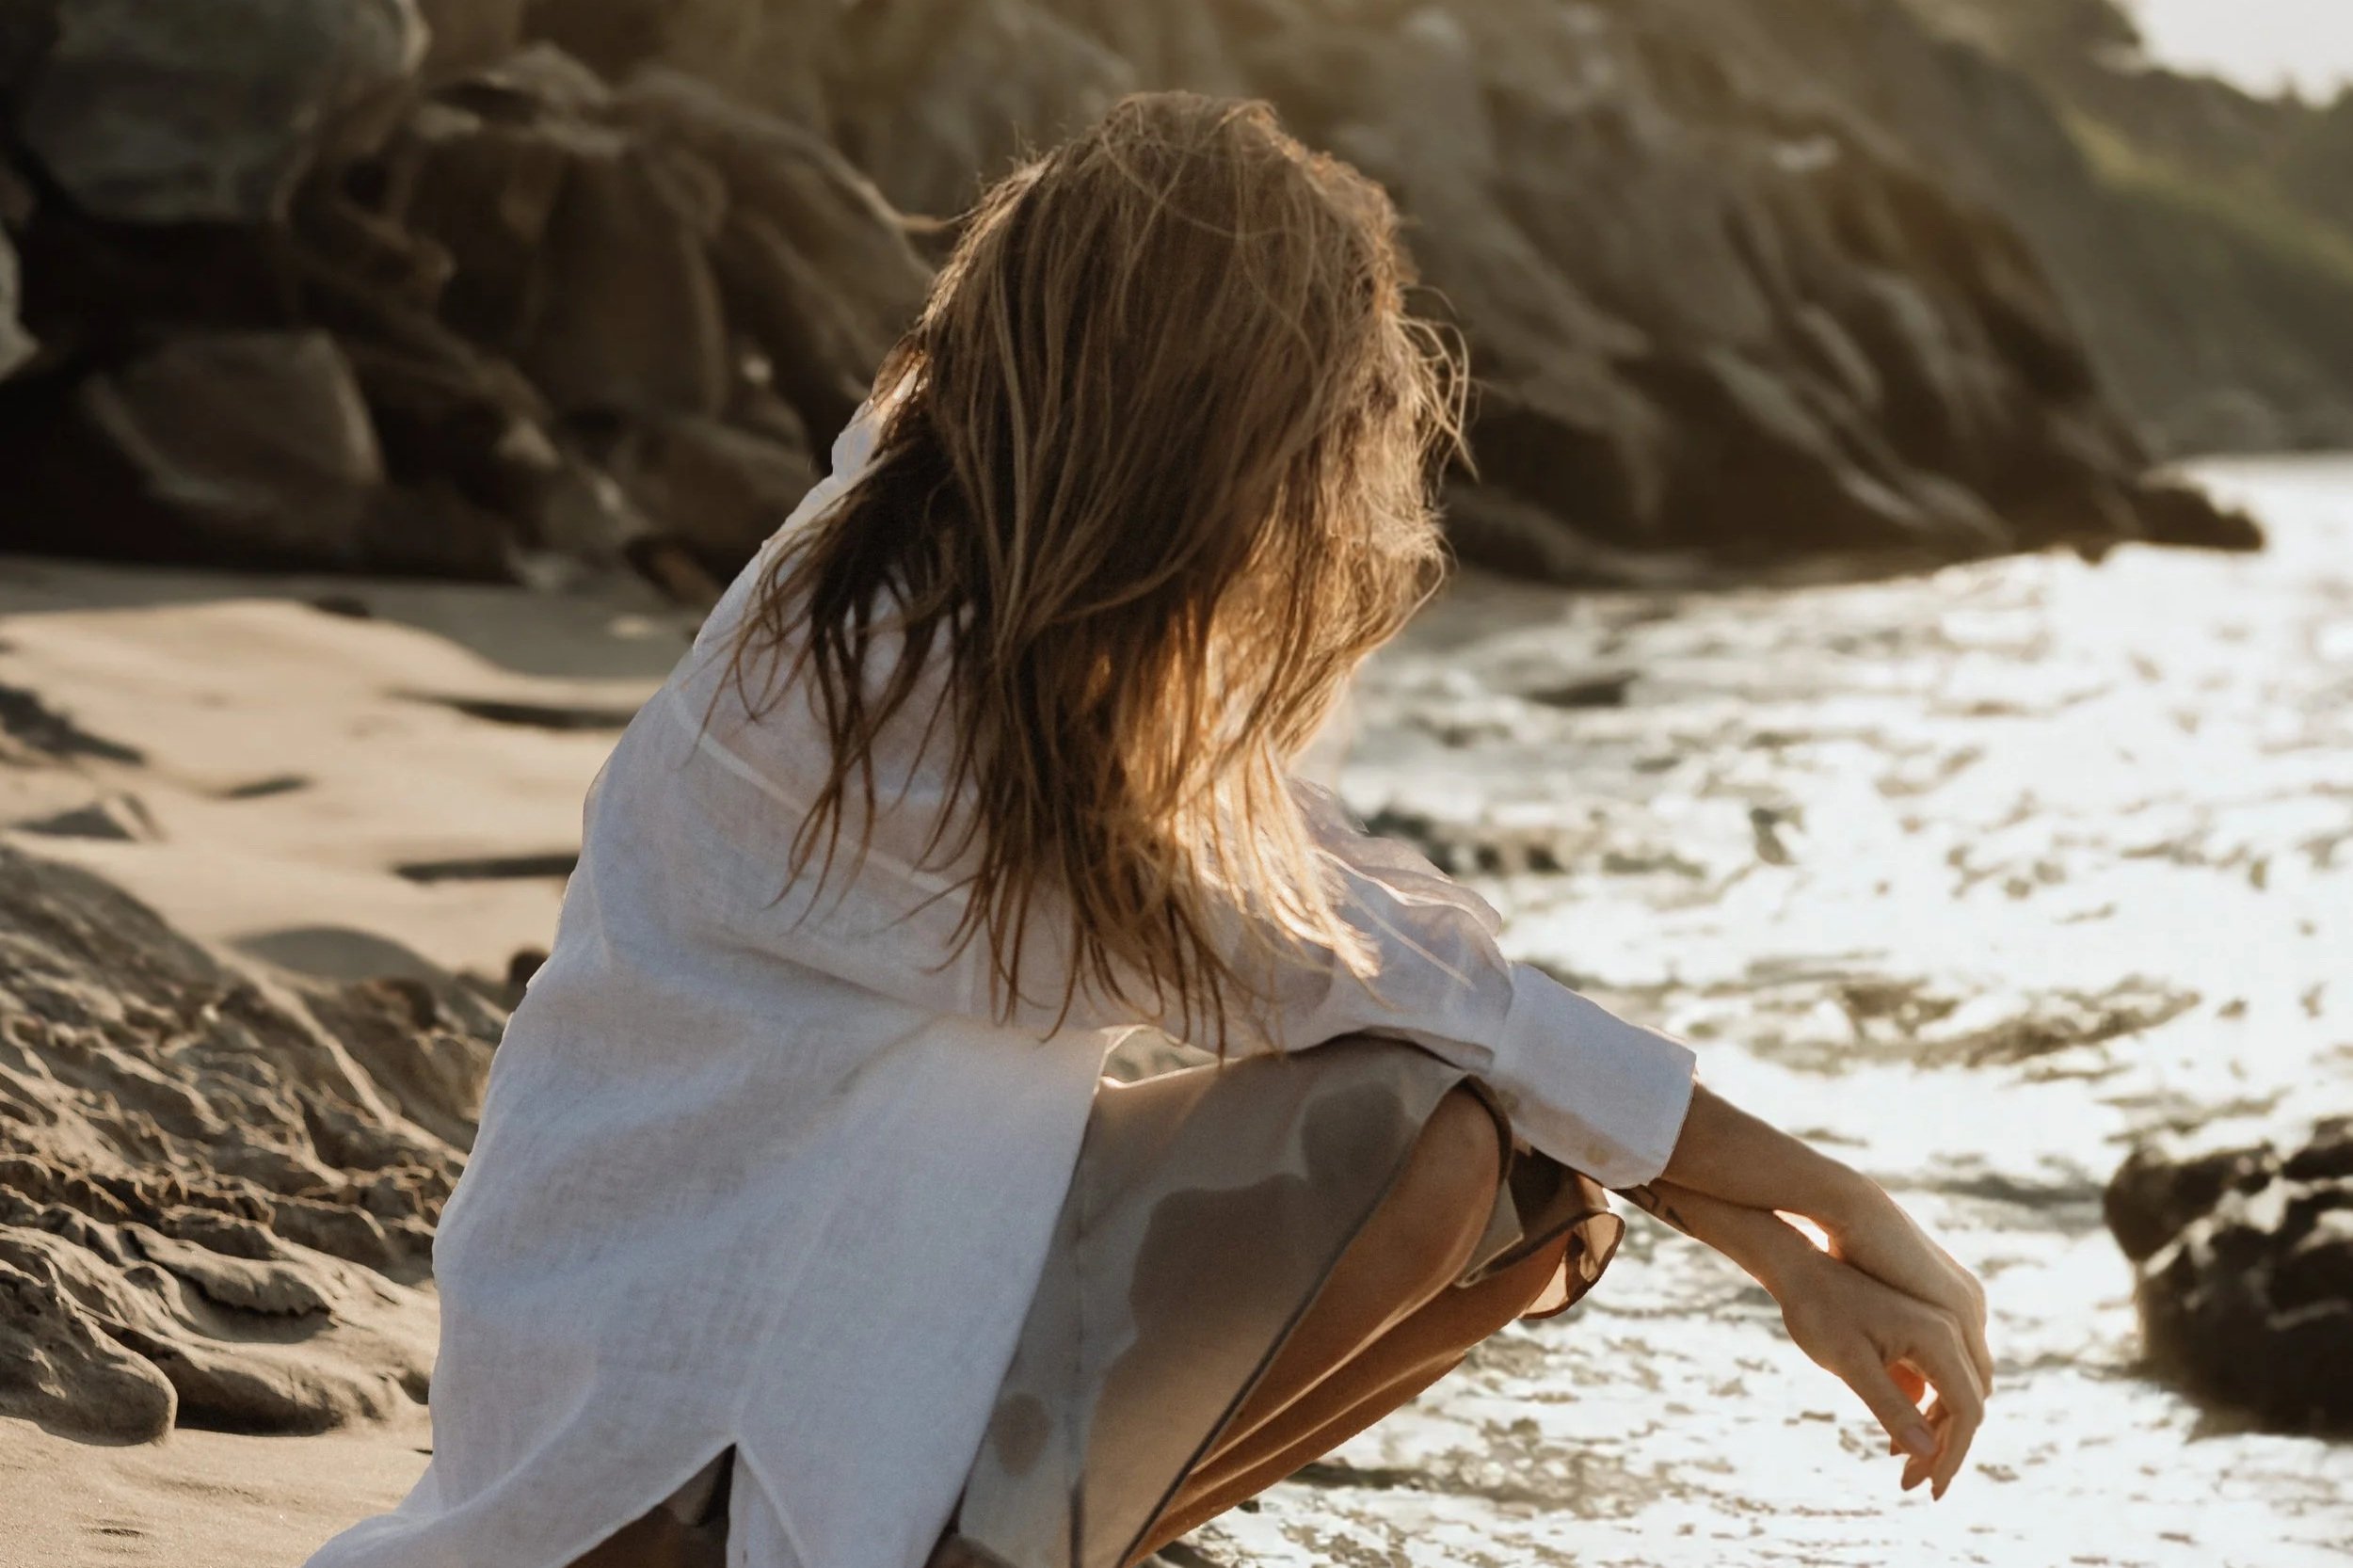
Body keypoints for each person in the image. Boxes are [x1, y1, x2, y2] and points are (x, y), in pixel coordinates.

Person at [307, 92, 1993, 1568]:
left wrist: (1762, 1228)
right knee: (1427, 1135)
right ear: (1194, 423)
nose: (1324, 478)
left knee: (1528, 1183)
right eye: (1307, 425)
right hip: (662, 1466)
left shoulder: (973, 599)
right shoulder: (880, 682)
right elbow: (1350, 968)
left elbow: (1360, 919)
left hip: (856, 1326)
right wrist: (1838, 1208)